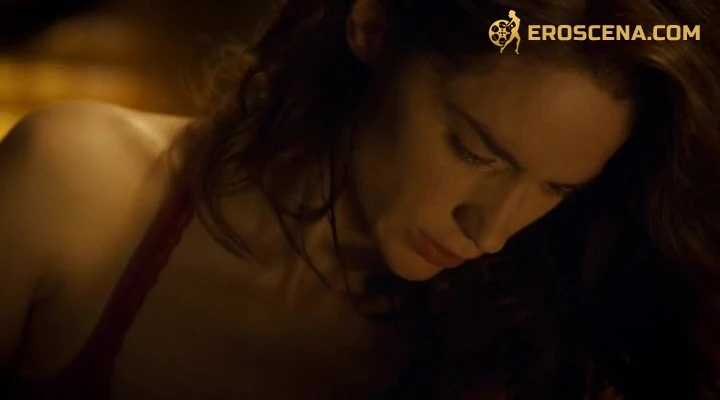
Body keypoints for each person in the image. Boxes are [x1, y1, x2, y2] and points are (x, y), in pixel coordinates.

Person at [1, 0, 718, 398]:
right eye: (474, 151)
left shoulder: (520, 349)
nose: (492, 232)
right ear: (373, 27)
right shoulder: (79, 185)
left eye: (556, 189)